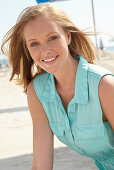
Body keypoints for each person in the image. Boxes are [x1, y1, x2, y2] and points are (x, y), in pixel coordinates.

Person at [1, 3, 114, 170]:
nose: (45, 50)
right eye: (34, 43)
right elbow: (41, 165)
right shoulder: (37, 91)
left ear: (67, 37)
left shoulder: (103, 86)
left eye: (52, 37)